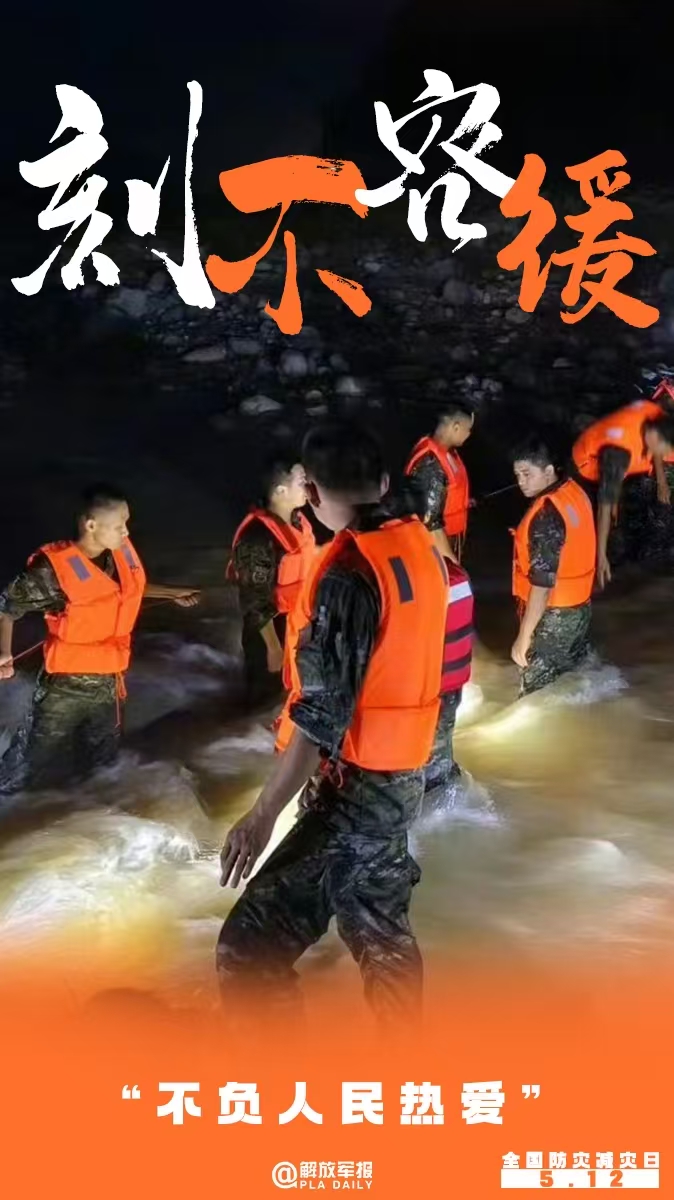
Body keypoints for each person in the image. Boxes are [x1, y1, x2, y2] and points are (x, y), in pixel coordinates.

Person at [217, 420, 448, 1027]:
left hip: (359, 793)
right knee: (382, 936)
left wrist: (261, 816)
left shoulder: (349, 574)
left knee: (246, 949)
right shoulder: (418, 545)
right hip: (405, 776)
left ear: (312, 494)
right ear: (385, 482)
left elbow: (322, 716)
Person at [0, 484, 200, 792]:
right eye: (120, 525)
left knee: (102, 764)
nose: (126, 533)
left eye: (126, 523)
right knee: (28, 762)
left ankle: (88, 812)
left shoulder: (114, 556)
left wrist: (173, 594)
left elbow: (123, 591)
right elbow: (7, 607)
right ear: (91, 525)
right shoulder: (51, 571)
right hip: (64, 688)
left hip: (108, 683)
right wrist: (4, 652)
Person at [226, 453, 314, 707]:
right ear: (280, 491)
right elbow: (254, 600)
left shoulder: (298, 521)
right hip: (270, 634)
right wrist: (274, 649)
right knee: (265, 702)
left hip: (297, 626)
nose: (308, 486)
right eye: (302, 481)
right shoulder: (257, 538)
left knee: (293, 696)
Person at [511, 440, 596, 697]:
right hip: (579, 609)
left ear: (548, 471)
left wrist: (523, 637)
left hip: (553, 616)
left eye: (527, 474)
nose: (521, 482)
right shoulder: (574, 491)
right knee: (571, 679)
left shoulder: (546, 514)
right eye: (517, 475)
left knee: (535, 694)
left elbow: (542, 585)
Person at [571, 390, 674, 588]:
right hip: (587, 469)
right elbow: (604, 508)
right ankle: (598, 562)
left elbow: (661, 440)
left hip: (626, 459)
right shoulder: (618, 451)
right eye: (666, 450)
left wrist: (662, 482)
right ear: (655, 439)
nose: (667, 455)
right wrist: (601, 556)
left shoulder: (655, 415)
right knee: (605, 518)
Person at [423, 558, 474, 810]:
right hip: (450, 690)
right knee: (439, 763)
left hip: (423, 694)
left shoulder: (412, 583)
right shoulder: (454, 575)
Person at [404, 402, 474, 564]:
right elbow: (431, 524)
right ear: (456, 427)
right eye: (468, 429)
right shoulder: (430, 462)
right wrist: (452, 564)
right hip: (434, 550)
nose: (469, 434)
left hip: (449, 540)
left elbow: (444, 492)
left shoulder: (447, 453)